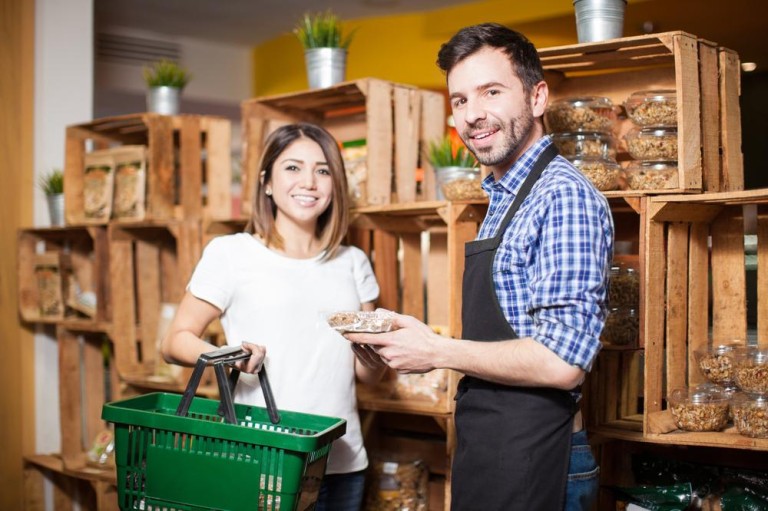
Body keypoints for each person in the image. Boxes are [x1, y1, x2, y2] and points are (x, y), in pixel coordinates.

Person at [345, 23, 614, 511]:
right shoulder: (504, 194)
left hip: (539, 460)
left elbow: (562, 363)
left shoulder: (563, 196)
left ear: (537, 97)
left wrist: (436, 350)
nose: (473, 115)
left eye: (491, 92)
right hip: (491, 450)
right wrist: (412, 340)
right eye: (461, 100)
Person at [161, 122, 387, 511]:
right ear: (266, 182)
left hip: (342, 462)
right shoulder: (231, 254)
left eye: (323, 170)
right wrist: (232, 355)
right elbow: (175, 340)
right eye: (293, 168)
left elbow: (368, 376)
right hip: (259, 459)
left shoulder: (354, 263)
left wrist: (377, 353)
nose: (310, 182)